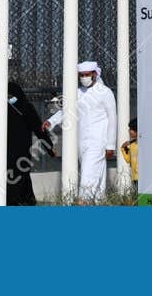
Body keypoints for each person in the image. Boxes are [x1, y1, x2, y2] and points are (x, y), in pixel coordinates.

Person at [43, 61, 118, 200]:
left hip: (98, 141)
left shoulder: (105, 92)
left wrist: (110, 145)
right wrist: (51, 122)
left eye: (86, 74)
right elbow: (67, 110)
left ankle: (83, 203)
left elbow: (113, 119)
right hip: (80, 141)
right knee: (95, 176)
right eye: (81, 75)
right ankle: (98, 203)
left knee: (87, 178)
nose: (84, 78)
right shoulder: (78, 92)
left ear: (94, 74)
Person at [0, 80, 52, 206]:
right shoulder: (3, 109)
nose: (9, 98)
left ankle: (25, 201)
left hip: (23, 149)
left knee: (22, 175)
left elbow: (38, 128)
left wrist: (49, 146)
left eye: (11, 96)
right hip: (6, 151)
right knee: (9, 177)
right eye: (7, 96)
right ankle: (14, 202)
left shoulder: (27, 108)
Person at [120, 118, 139, 197]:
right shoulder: (132, 145)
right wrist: (123, 148)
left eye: (131, 129)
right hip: (135, 177)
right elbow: (128, 160)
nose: (129, 131)